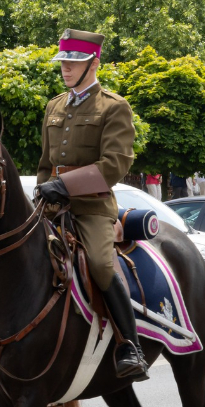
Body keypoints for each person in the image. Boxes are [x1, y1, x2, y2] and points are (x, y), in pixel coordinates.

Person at [34, 28, 146, 381]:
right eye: (64, 61)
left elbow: (115, 164)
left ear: (94, 63)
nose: (66, 68)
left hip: (91, 207)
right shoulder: (54, 105)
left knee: (99, 264)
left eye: (74, 61)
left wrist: (63, 184)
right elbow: (44, 163)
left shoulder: (114, 106)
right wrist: (40, 192)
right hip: (51, 206)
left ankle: (130, 345)